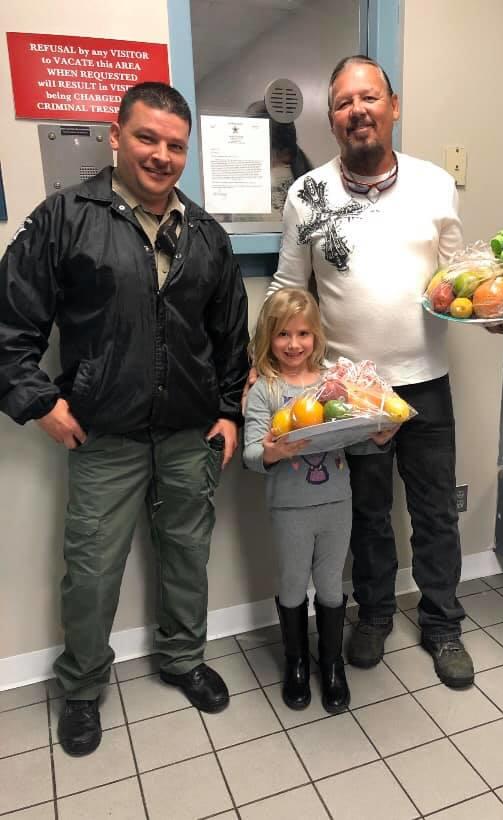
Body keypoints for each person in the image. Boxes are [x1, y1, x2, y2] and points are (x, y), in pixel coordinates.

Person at [0, 82, 249, 755]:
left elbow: (230, 336)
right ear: (116, 136)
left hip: (187, 433)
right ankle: (80, 689)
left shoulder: (204, 233)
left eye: (175, 145)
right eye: (147, 138)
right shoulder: (64, 217)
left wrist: (229, 411)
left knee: (187, 557)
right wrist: (39, 401)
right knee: (92, 568)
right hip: (103, 433)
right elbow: (9, 326)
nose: (161, 155)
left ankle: (183, 659)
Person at [265, 55, 483, 688]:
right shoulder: (307, 193)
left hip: (426, 384)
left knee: (436, 512)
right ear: (331, 119)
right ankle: (376, 616)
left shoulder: (436, 184)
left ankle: (443, 626)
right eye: (341, 102)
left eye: (368, 97)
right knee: (366, 514)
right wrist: (266, 369)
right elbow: (287, 288)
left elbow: (455, 282)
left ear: (393, 105)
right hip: (349, 393)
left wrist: (496, 313)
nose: (356, 110)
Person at [243, 288, 352, 713]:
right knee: (291, 585)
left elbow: (354, 434)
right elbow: (252, 454)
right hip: (288, 507)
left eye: (303, 333)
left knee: (330, 585)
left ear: (317, 336)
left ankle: (331, 664)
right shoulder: (265, 391)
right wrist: (273, 451)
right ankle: (296, 662)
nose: (293, 344)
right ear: (268, 337)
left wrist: (379, 430)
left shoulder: (333, 384)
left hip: (337, 501)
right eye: (283, 334)